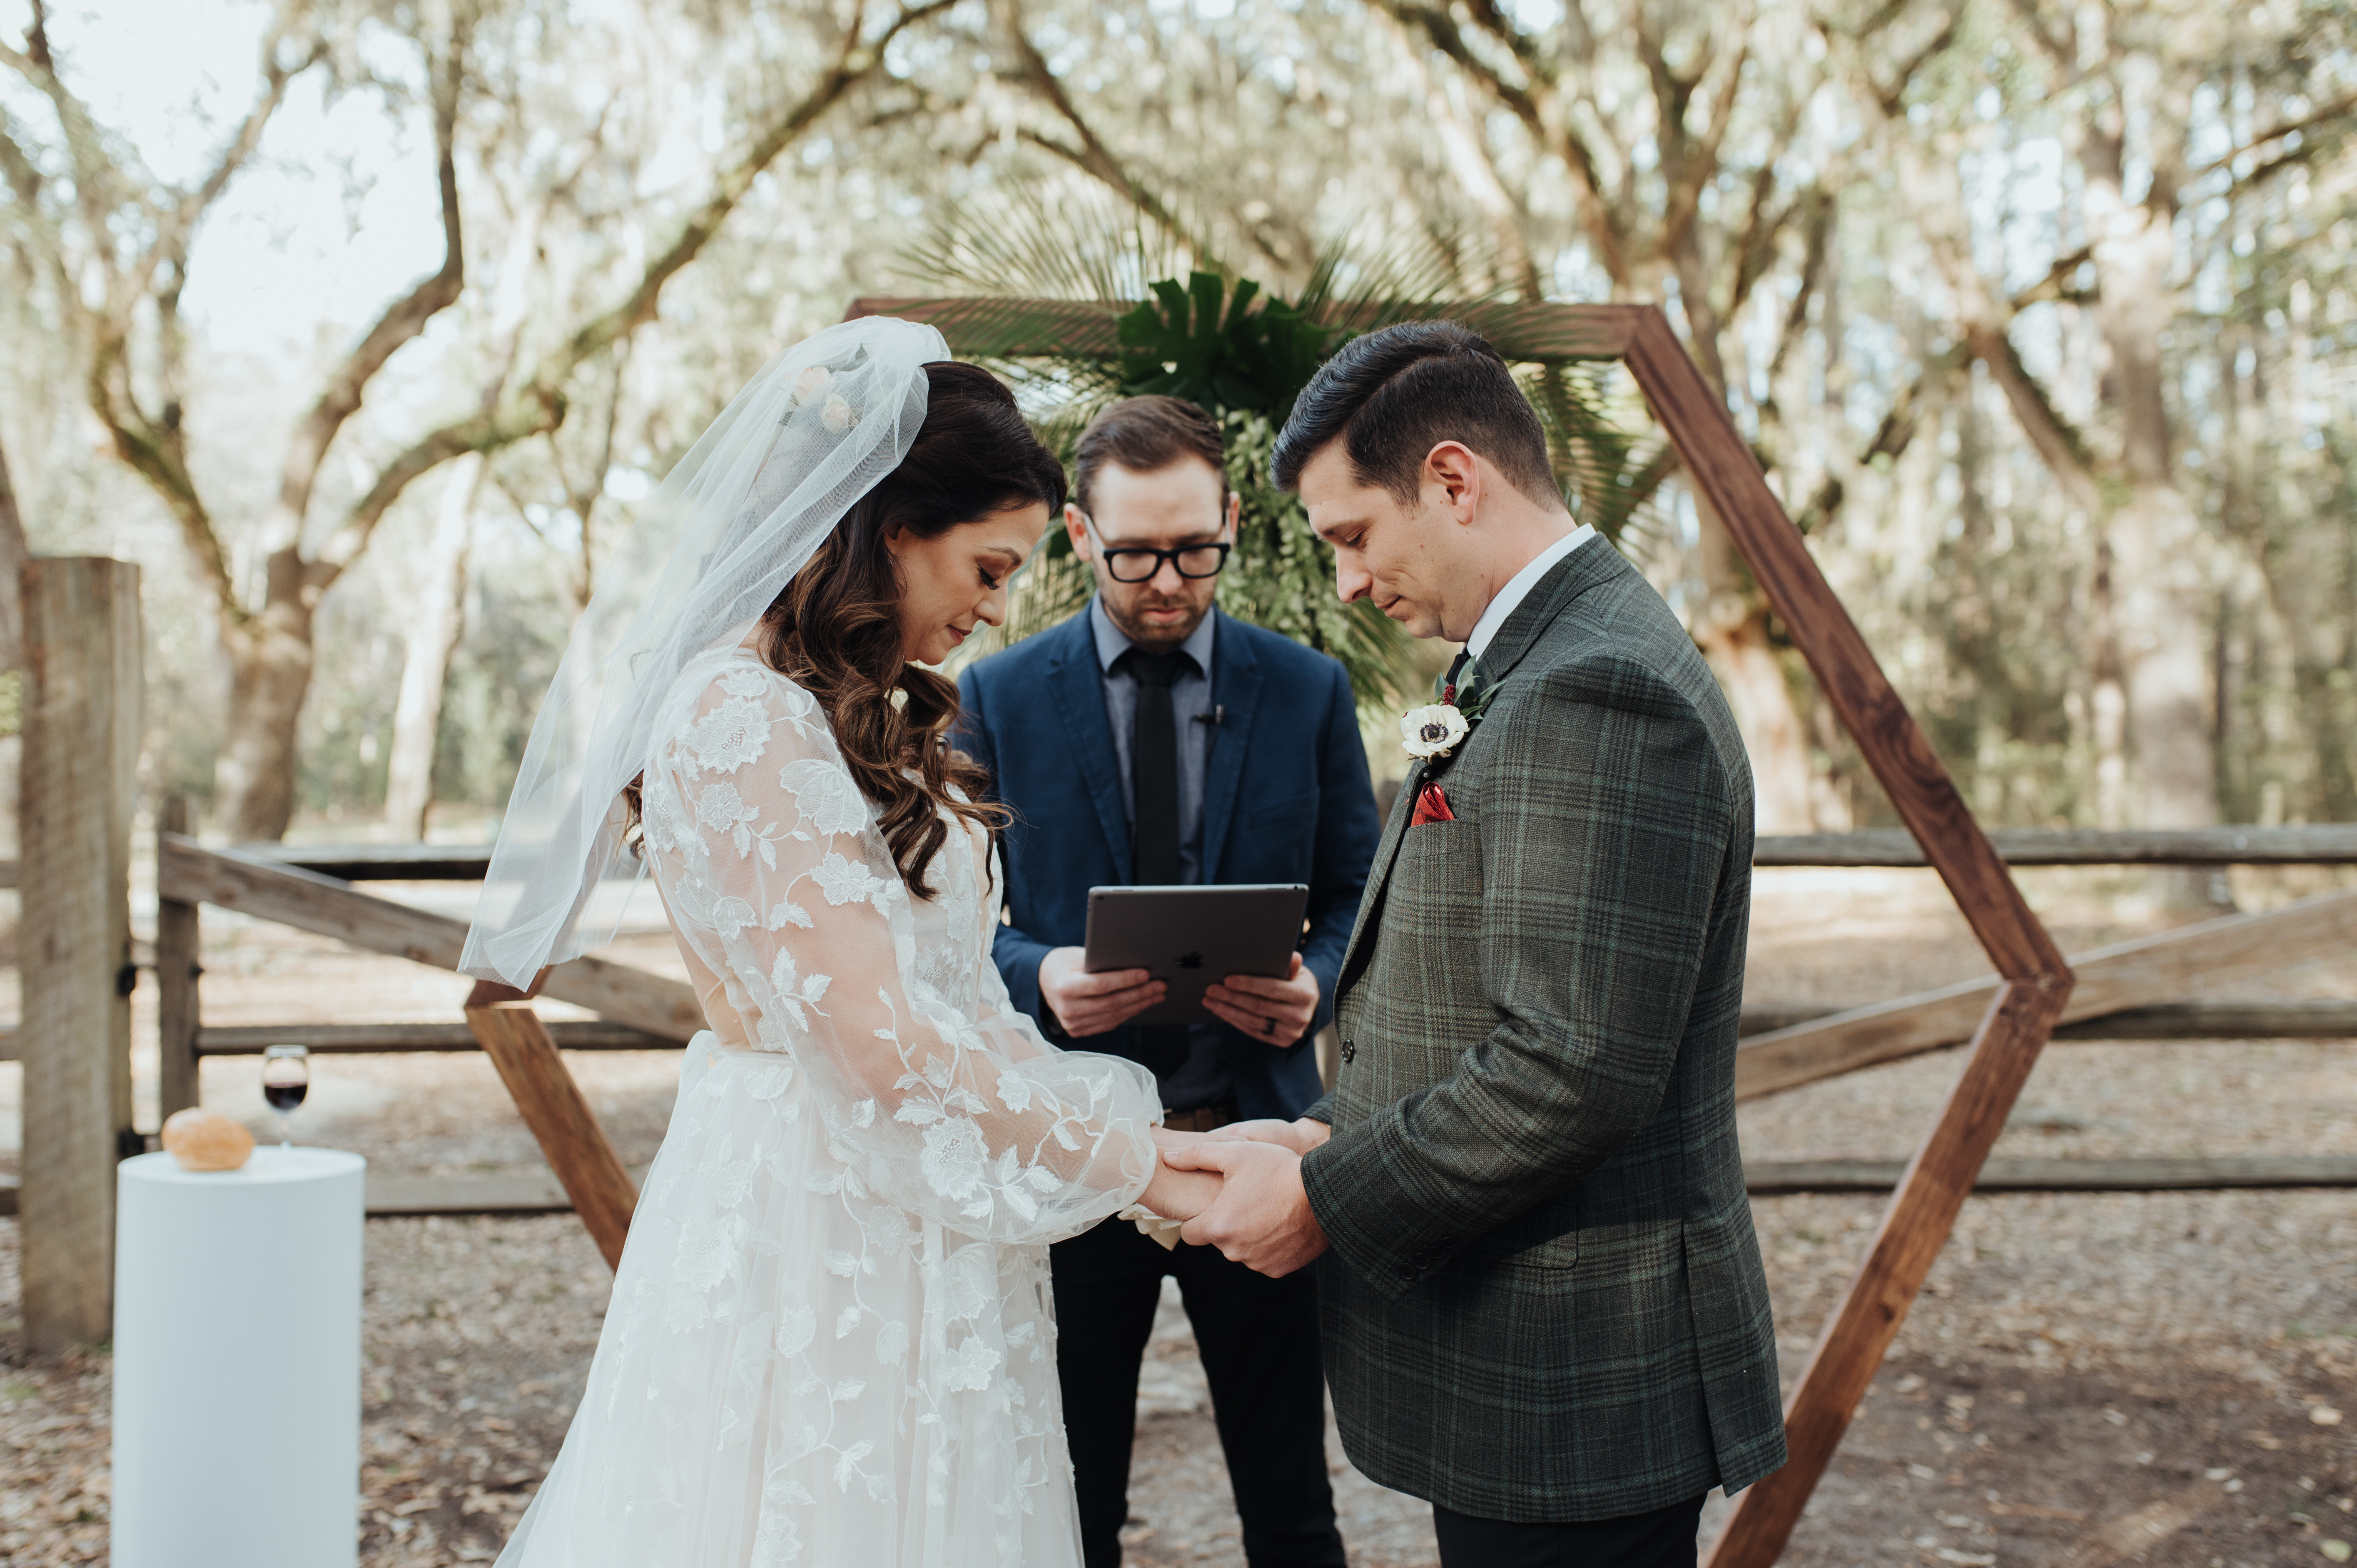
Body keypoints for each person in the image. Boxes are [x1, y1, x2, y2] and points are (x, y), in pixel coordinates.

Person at [460, 319, 1223, 1568]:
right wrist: (1137, 1164)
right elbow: (879, 1048)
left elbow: (954, 1008)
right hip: (817, 1215)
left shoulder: (853, 712)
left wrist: (1150, 1144)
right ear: (890, 527)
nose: (993, 607)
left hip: (916, 1196)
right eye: (985, 567)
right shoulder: (737, 712)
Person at [1164, 322, 1788, 1568]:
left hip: (1576, 1367)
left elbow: (1570, 1063)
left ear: (1451, 481)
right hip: (1520, 1352)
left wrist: (1326, 1197)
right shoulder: (1526, 660)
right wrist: (1324, 1131)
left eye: (1352, 536)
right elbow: (1463, 989)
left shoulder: (1598, 687)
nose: (1344, 581)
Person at [955, 396, 1378, 1568]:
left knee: (1291, 1501)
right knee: (1068, 1497)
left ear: (1232, 521)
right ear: (1081, 539)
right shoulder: (992, 696)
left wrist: (1319, 985)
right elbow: (939, 930)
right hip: (1069, 1154)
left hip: (1260, 1143)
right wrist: (1040, 974)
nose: (1166, 582)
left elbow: (1358, 893)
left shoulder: (1307, 690)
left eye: (1196, 551)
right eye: (1135, 553)